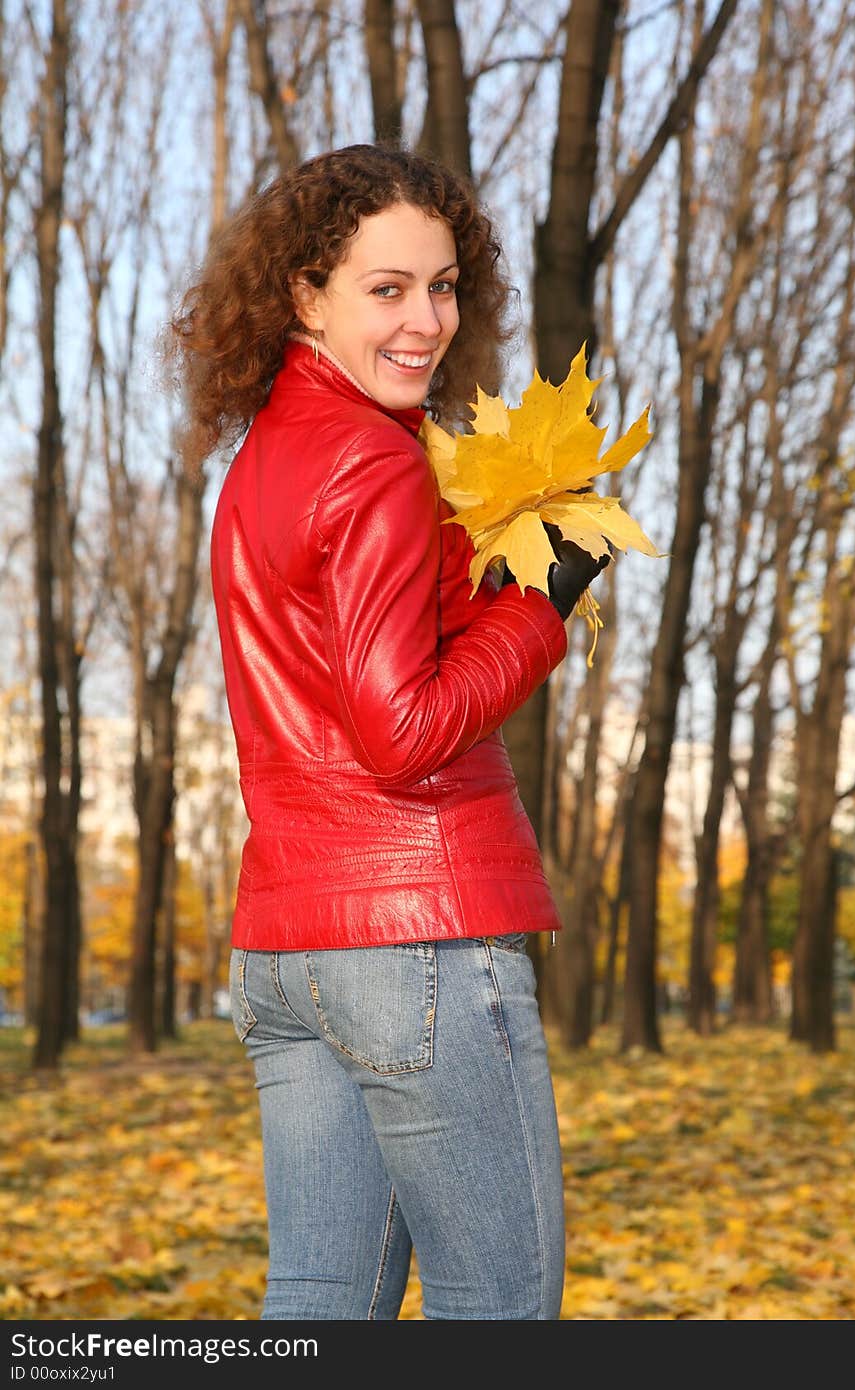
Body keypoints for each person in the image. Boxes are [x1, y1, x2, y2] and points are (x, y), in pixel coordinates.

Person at [169, 143, 609, 1321]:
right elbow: (401, 727)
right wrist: (538, 607)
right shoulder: (373, 460)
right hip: (417, 937)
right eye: (387, 288)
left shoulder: (261, 461)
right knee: (497, 1305)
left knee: (319, 1309)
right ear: (304, 296)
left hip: (288, 950)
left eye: (445, 284)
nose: (426, 320)